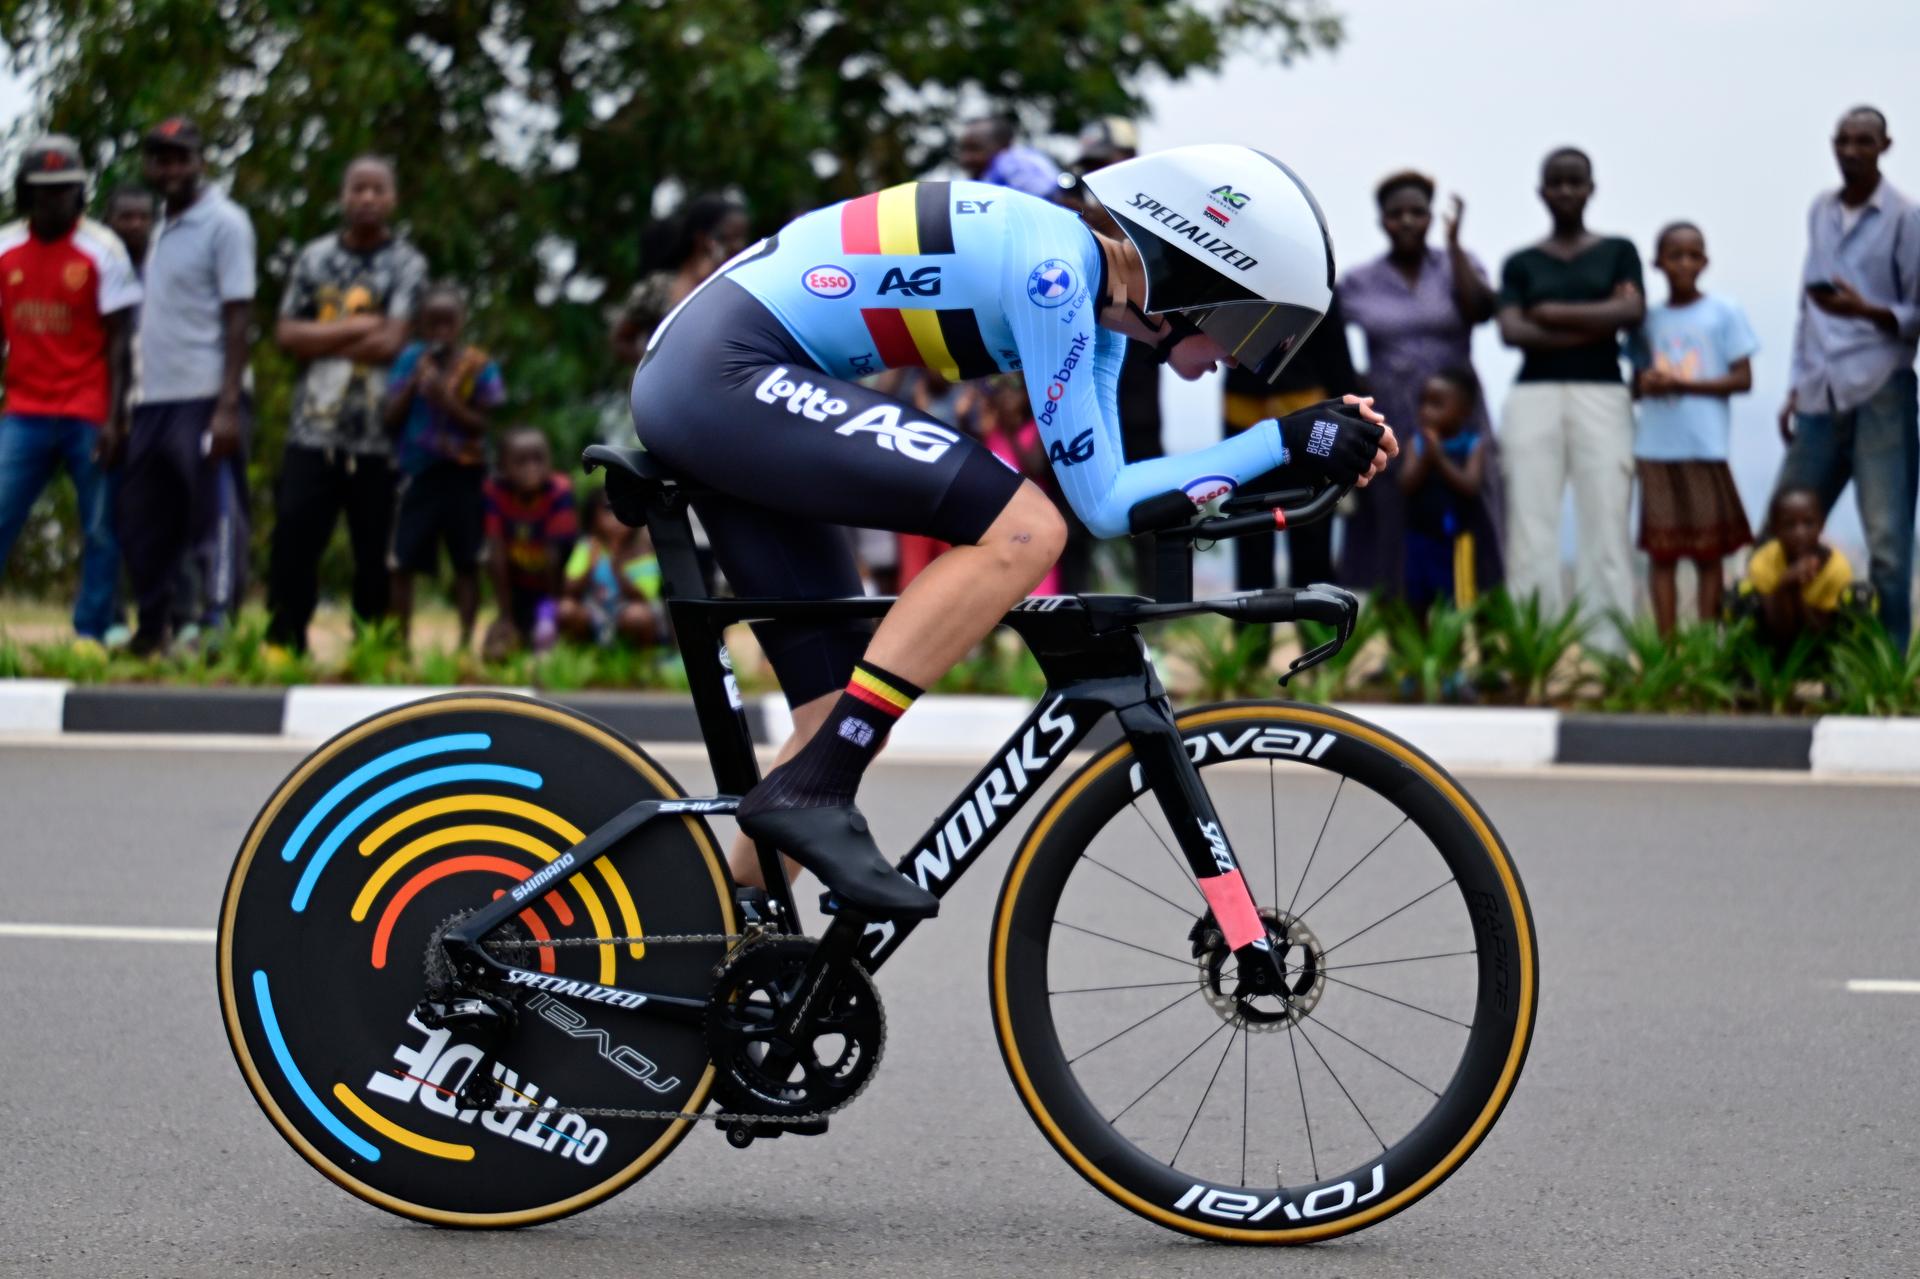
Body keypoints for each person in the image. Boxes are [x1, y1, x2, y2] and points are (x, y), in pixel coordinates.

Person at [629, 143, 1395, 918]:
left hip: (726, 375)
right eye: (1247, 326)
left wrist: (1294, 448)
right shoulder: (1054, 273)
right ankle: (814, 788)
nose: (1237, 358)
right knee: (1024, 529)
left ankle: (714, 956)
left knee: (835, 715)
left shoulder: (1090, 310)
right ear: (1196, 283)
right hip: (723, 373)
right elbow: (1070, 515)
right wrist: (1283, 439)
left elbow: (1107, 501)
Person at [265, 154, 427, 654]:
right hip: (313, 428)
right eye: (358, 188)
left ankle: (371, 648)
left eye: (378, 189)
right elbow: (286, 333)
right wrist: (359, 325)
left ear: (393, 198)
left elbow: (394, 342)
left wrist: (322, 337)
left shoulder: (407, 263)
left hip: (379, 433)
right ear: (343, 195)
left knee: (373, 549)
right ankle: (283, 642)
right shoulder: (314, 258)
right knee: (294, 535)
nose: (367, 199)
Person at [1777, 106, 1920, 653]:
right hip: (1819, 390)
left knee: (1886, 542)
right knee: (1783, 530)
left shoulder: (1905, 217)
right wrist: (1795, 384)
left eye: (1865, 141)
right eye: (1844, 141)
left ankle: (1888, 668)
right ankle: (1780, 662)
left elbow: (1915, 311)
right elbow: (1808, 304)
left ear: (1885, 146)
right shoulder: (1821, 211)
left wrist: (1867, 310)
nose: (1852, 151)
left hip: (1880, 385)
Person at [117, 117, 256, 655]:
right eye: (160, 158)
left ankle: (217, 626)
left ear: (200, 160)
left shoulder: (225, 223)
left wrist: (226, 407)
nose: (170, 168)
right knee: (144, 519)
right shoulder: (157, 229)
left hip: (206, 396)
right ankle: (153, 629)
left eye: (181, 157)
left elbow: (239, 317)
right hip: (152, 400)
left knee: (214, 518)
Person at [1496, 147, 1644, 647]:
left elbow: (1632, 314)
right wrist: (1599, 319)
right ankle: (1532, 649)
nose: (1565, 191)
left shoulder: (1619, 250)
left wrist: (1551, 312)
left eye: (1574, 181)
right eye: (1556, 182)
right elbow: (1512, 332)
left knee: (1606, 525)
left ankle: (1609, 656)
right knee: (1529, 528)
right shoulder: (1520, 261)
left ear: (1591, 188)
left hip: (1602, 395)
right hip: (1533, 398)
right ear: (1541, 192)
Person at [0, 136, 142, 643]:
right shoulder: (5, 249)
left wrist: (117, 417)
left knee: (101, 528)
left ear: (80, 194)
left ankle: (91, 633)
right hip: (24, 409)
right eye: (43, 191)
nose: (53, 200)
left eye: (64, 191)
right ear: (25, 194)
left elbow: (123, 338)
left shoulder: (102, 249)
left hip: (87, 408)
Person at [1337, 170, 1503, 596]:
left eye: (1417, 212)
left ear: (1431, 217)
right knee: (1391, 525)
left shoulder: (1456, 265)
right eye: (1396, 214)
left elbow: (1483, 309)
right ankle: (1403, 652)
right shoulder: (1360, 282)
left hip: (1458, 417)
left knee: (1476, 518)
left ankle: (1486, 644)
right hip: (1391, 417)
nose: (1407, 221)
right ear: (1382, 220)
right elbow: (1327, 339)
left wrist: (1453, 244)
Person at [1628, 222, 1758, 636]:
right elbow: (1633, 382)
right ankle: (1666, 651)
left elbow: (1742, 379)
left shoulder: (1724, 311)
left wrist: (1681, 384)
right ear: (1657, 263)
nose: (1684, 263)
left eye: (1692, 255)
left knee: (1709, 553)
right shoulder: (1647, 319)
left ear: (1705, 261)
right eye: (1674, 255)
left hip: (1705, 449)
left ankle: (1706, 648)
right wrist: (1644, 383)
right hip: (1655, 448)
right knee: (1662, 555)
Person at [386, 283, 504, 649]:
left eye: (447, 323)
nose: (440, 332)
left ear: (461, 323)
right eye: (432, 324)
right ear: (421, 325)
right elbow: (389, 418)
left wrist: (443, 399)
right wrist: (413, 387)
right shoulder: (408, 361)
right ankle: (399, 647)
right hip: (419, 473)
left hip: (464, 475)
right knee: (401, 560)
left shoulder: (480, 366)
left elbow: (483, 424)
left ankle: (464, 646)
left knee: (467, 561)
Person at [1222, 292, 1358, 592]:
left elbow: (1337, 361)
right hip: (1244, 422)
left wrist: (1351, 431)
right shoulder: (1229, 276)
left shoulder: (1317, 284)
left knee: (1312, 544)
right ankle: (1254, 638)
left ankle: (1320, 637)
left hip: (1309, 428)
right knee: (1250, 540)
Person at [610, 195, 749, 365]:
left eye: (742, 238)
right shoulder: (659, 287)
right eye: (730, 238)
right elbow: (621, 338)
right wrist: (653, 367)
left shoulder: (736, 289)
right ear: (703, 238)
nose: (739, 246)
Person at [1398, 368, 1488, 615]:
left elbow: (1470, 485)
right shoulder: (1416, 444)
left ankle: (1452, 651)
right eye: (1423, 403)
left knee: (1457, 602)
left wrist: (1439, 459)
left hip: (1458, 542)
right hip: (1419, 538)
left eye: (1437, 404)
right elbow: (1405, 484)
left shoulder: (1472, 444)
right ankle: (1421, 651)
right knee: (1416, 598)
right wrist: (1426, 458)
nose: (1426, 411)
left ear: (1464, 411)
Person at [482, 426, 577, 660]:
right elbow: (495, 552)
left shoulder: (560, 490)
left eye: (538, 459)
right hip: (518, 593)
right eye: (521, 462)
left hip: (557, 591)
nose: (532, 468)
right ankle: (514, 628)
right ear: (503, 466)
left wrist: (549, 615)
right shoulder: (494, 492)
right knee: (495, 653)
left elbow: (555, 557)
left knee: (550, 646)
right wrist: (506, 616)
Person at [1740, 488, 1855, 646]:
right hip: (1772, 645)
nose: (1800, 533)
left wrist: (1794, 590)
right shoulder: (1763, 562)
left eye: (1808, 523)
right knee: (1741, 597)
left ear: (1822, 525)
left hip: (1823, 649)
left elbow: (1816, 636)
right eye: (1789, 525)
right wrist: (1785, 584)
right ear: (1774, 528)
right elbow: (1778, 631)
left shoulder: (1837, 569)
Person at [558, 487, 663, 648]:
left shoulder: (642, 551)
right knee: (566, 609)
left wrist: (618, 569)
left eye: (621, 511)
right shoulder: (588, 547)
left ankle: (641, 656)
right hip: (595, 611)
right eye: (608, 511)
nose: (616, 519)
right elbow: (568, 590)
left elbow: (645, 598)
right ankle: (586, 651)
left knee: (638, 616)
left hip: (627, 611)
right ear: (593, 517)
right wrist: (589, 568)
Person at [954, 114, 1062, 200]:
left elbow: (1049, 198)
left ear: (1003, 145)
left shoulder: (1011, 164)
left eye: (975, 149)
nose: (966, 158)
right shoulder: (1022, 158)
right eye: (963, 149)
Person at [104, 185, 154, 270]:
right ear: (108, 220)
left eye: (144, 217)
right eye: (126, 217)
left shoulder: (164, 263)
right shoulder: (94, 262)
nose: (136, 225)